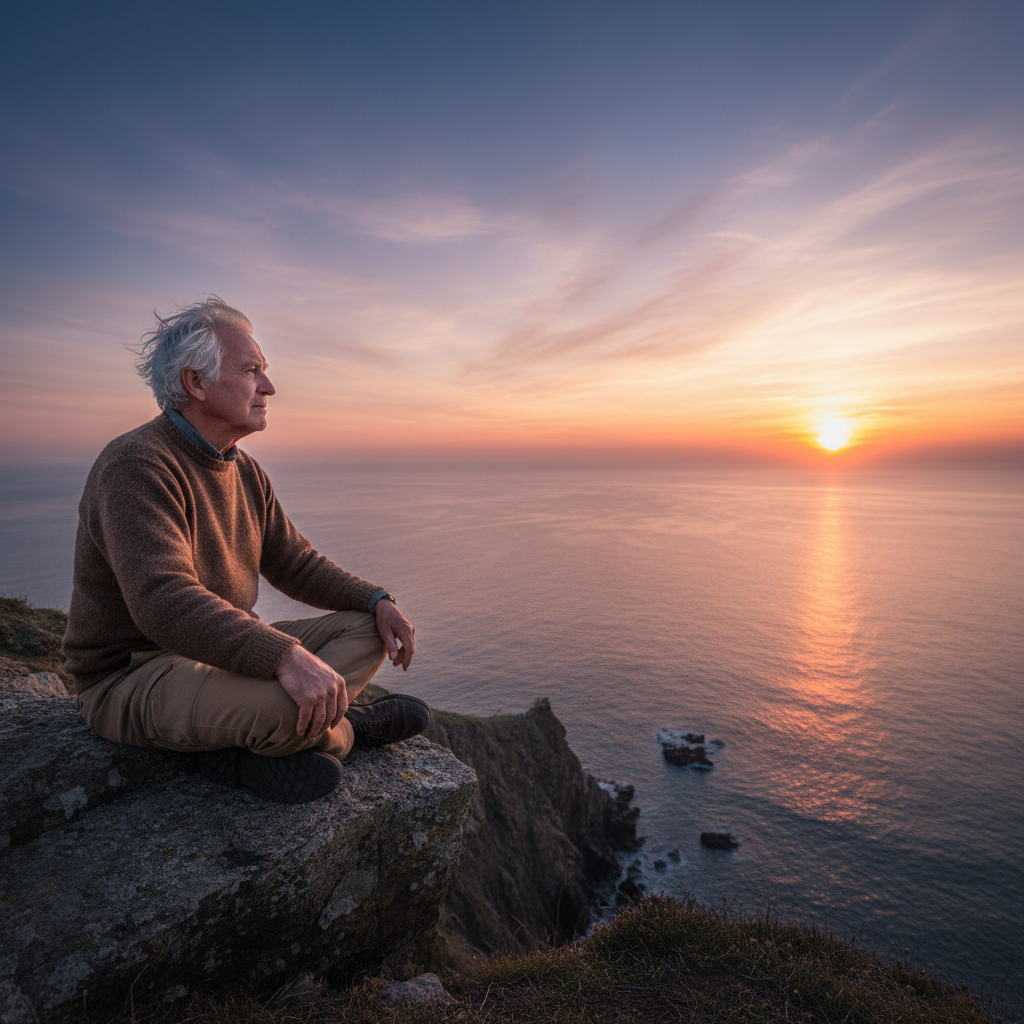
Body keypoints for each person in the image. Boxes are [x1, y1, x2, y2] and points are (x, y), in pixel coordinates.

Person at [63, 296, 430, 804]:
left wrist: (377, 599)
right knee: (286, 709)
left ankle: (273, 734)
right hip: (136, 674)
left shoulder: (243, 469)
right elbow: (163, 600)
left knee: (369, 629)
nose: (269, 387)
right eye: (252, 371)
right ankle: (346, 728)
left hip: (217, 655)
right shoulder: (136, 465)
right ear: (196, 382)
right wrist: (283, 655)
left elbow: (294, 562)